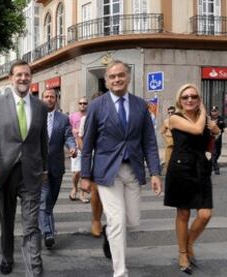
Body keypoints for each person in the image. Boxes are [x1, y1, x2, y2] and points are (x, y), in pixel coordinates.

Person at [81, 60, 162, 277]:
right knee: (117, 220)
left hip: (132, 170)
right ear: (106, 81)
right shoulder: (97, 106)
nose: (117, 79)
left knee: (132, 220)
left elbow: (149, 141)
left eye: (120, 75)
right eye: (112, 77)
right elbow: (88, 143)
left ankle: (110, 231)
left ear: (128, 77)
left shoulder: (140, 105)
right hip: (107, 171)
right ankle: (120, 271)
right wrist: (85, 175)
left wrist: (155, 172)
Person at [0, 60, 48, 276]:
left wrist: (44, 168)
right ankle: (7, 256)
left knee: (31, 224)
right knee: (6, 221)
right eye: (18, 75)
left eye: (26, 75)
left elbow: (42, 140)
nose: (23, 79)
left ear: (31, 77)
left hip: (31, 174)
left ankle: (33, 268)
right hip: (4, 172)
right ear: (11, 78)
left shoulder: (40, 106)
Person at [164, 84, 219, 274]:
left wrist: (215, 129)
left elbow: (211, 135)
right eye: (185, 97)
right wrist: (204, 112)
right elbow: (196, 130)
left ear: (198, 98)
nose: (190, 100)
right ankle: (182, 253)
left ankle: (188, 243)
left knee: (205, 214)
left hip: (201, 169)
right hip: (181, 169)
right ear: (179, 100)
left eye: (194, 96)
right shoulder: (174, 118)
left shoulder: (203, 120)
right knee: (184, 214)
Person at [39, 88, 76, 249]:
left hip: (57, 167)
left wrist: (72, 147)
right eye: (46, 96)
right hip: (39, 168)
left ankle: (43, 221)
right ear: (42, 99)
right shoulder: (35, 117)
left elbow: (68, 135)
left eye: (52, 97)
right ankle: (48, 232)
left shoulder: (63, 118)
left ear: (56, 99)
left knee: (50, 201)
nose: (49, 99)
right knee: (44, 199)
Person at [77, 91, 103, 237]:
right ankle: (96, 219)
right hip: (93, 159)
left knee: (106, 192)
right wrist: (86, 151)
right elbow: (80, 138)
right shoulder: (85, 120)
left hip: (109, 161)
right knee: (96, 192)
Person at [69, 97, 89, 203]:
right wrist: (74, 130)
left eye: (84, 103)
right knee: (77, 172)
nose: (82, 105)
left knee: (84, 172)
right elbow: (67, 130)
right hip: (76, 147)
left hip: (87, 147)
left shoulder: (89, 116)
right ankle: (74, 188)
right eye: (80, 103)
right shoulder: (72, 116)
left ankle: (82, 193)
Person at [209, 105, 226, 175]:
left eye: (215, 111)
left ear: (217, 112)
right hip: (211, 139)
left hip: (219, 138)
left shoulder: (221, 118)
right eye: (213, 111)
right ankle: (216, 168)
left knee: (218, 153)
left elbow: (224, 127)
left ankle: (211, 164)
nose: (214, 113)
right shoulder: (208, 118)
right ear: (211, 112)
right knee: (214, 153)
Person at [160, 106, 176, 174]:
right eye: (169, 112)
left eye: (172, 112)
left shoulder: (179, 121)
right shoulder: (166, 121)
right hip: (169, 141)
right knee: (168, 159)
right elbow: (162, 132)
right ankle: (168, 173)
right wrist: (166, 139)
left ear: (174, 113)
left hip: (177, 142)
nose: (170, 114)